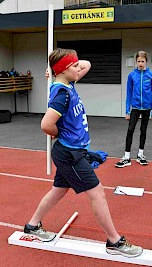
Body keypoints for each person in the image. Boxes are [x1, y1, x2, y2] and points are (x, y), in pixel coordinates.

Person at [24, 48, 143, 258]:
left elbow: (86, 64)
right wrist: (58, 132)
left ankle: (33, 225)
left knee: (59, 190)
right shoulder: (61, 94)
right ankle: (114, 242)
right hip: (70, 153)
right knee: (97, 192)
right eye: (75, 66)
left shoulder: (68, 83)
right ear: (66, 69)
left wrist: (62, 67)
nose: (81, 68)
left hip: (71, 150)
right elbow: (46, 124)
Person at [115, 51, 152, 168]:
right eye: (138, 61)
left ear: (146, 62)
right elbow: (128, 93)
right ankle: (127, 157)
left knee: (143, 131)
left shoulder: (151, 75)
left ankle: (140, 155)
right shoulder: (132, 75)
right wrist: (127, 111)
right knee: (130, 130)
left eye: (142, 61)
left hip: (147, 108)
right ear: (136, 62)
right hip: (135, 107)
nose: (140, 64)